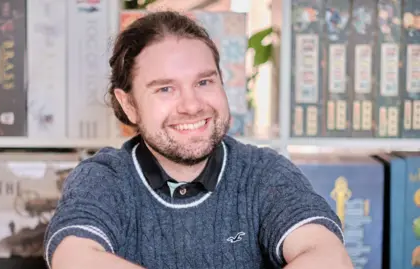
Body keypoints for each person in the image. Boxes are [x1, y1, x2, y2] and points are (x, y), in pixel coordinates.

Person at [43, 11, 353, 269]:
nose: (192, 105)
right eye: (165, 89)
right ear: (129, 105)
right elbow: (74, 255)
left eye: (204, 82)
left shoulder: (264, 173)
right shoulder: (104, 178)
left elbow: (327, 255)